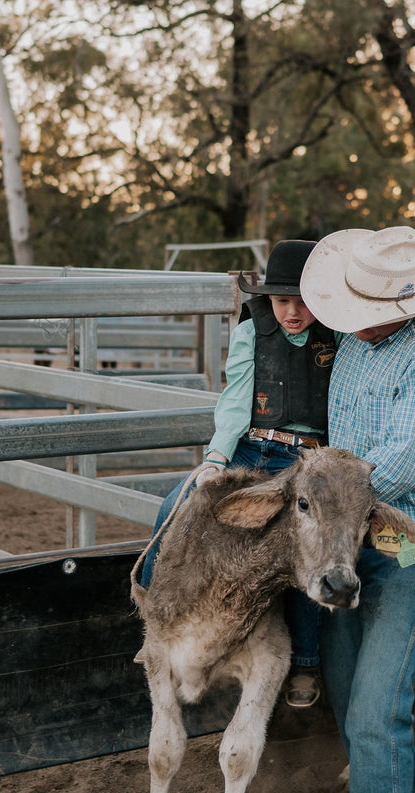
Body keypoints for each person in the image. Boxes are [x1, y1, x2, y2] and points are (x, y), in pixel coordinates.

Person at [300, 225, 415, 793]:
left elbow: (402, 463)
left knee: (374, 707)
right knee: (348, 693)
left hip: (412, 542)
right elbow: (343, 449)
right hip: (349, 538)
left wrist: (314, 494)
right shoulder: (356, 353)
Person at [140, 239, 340, 709]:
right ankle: (155, 621)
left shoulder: (339, 335)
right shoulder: (253, 329)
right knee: (176, 507)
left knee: (308, 549)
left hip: (307, 458)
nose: (292, 312)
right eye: (281, 300)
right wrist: (215, 457)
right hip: (250, 448)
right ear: (268, 298)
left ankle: (305, 661)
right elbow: (235, 397)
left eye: (302, 301)